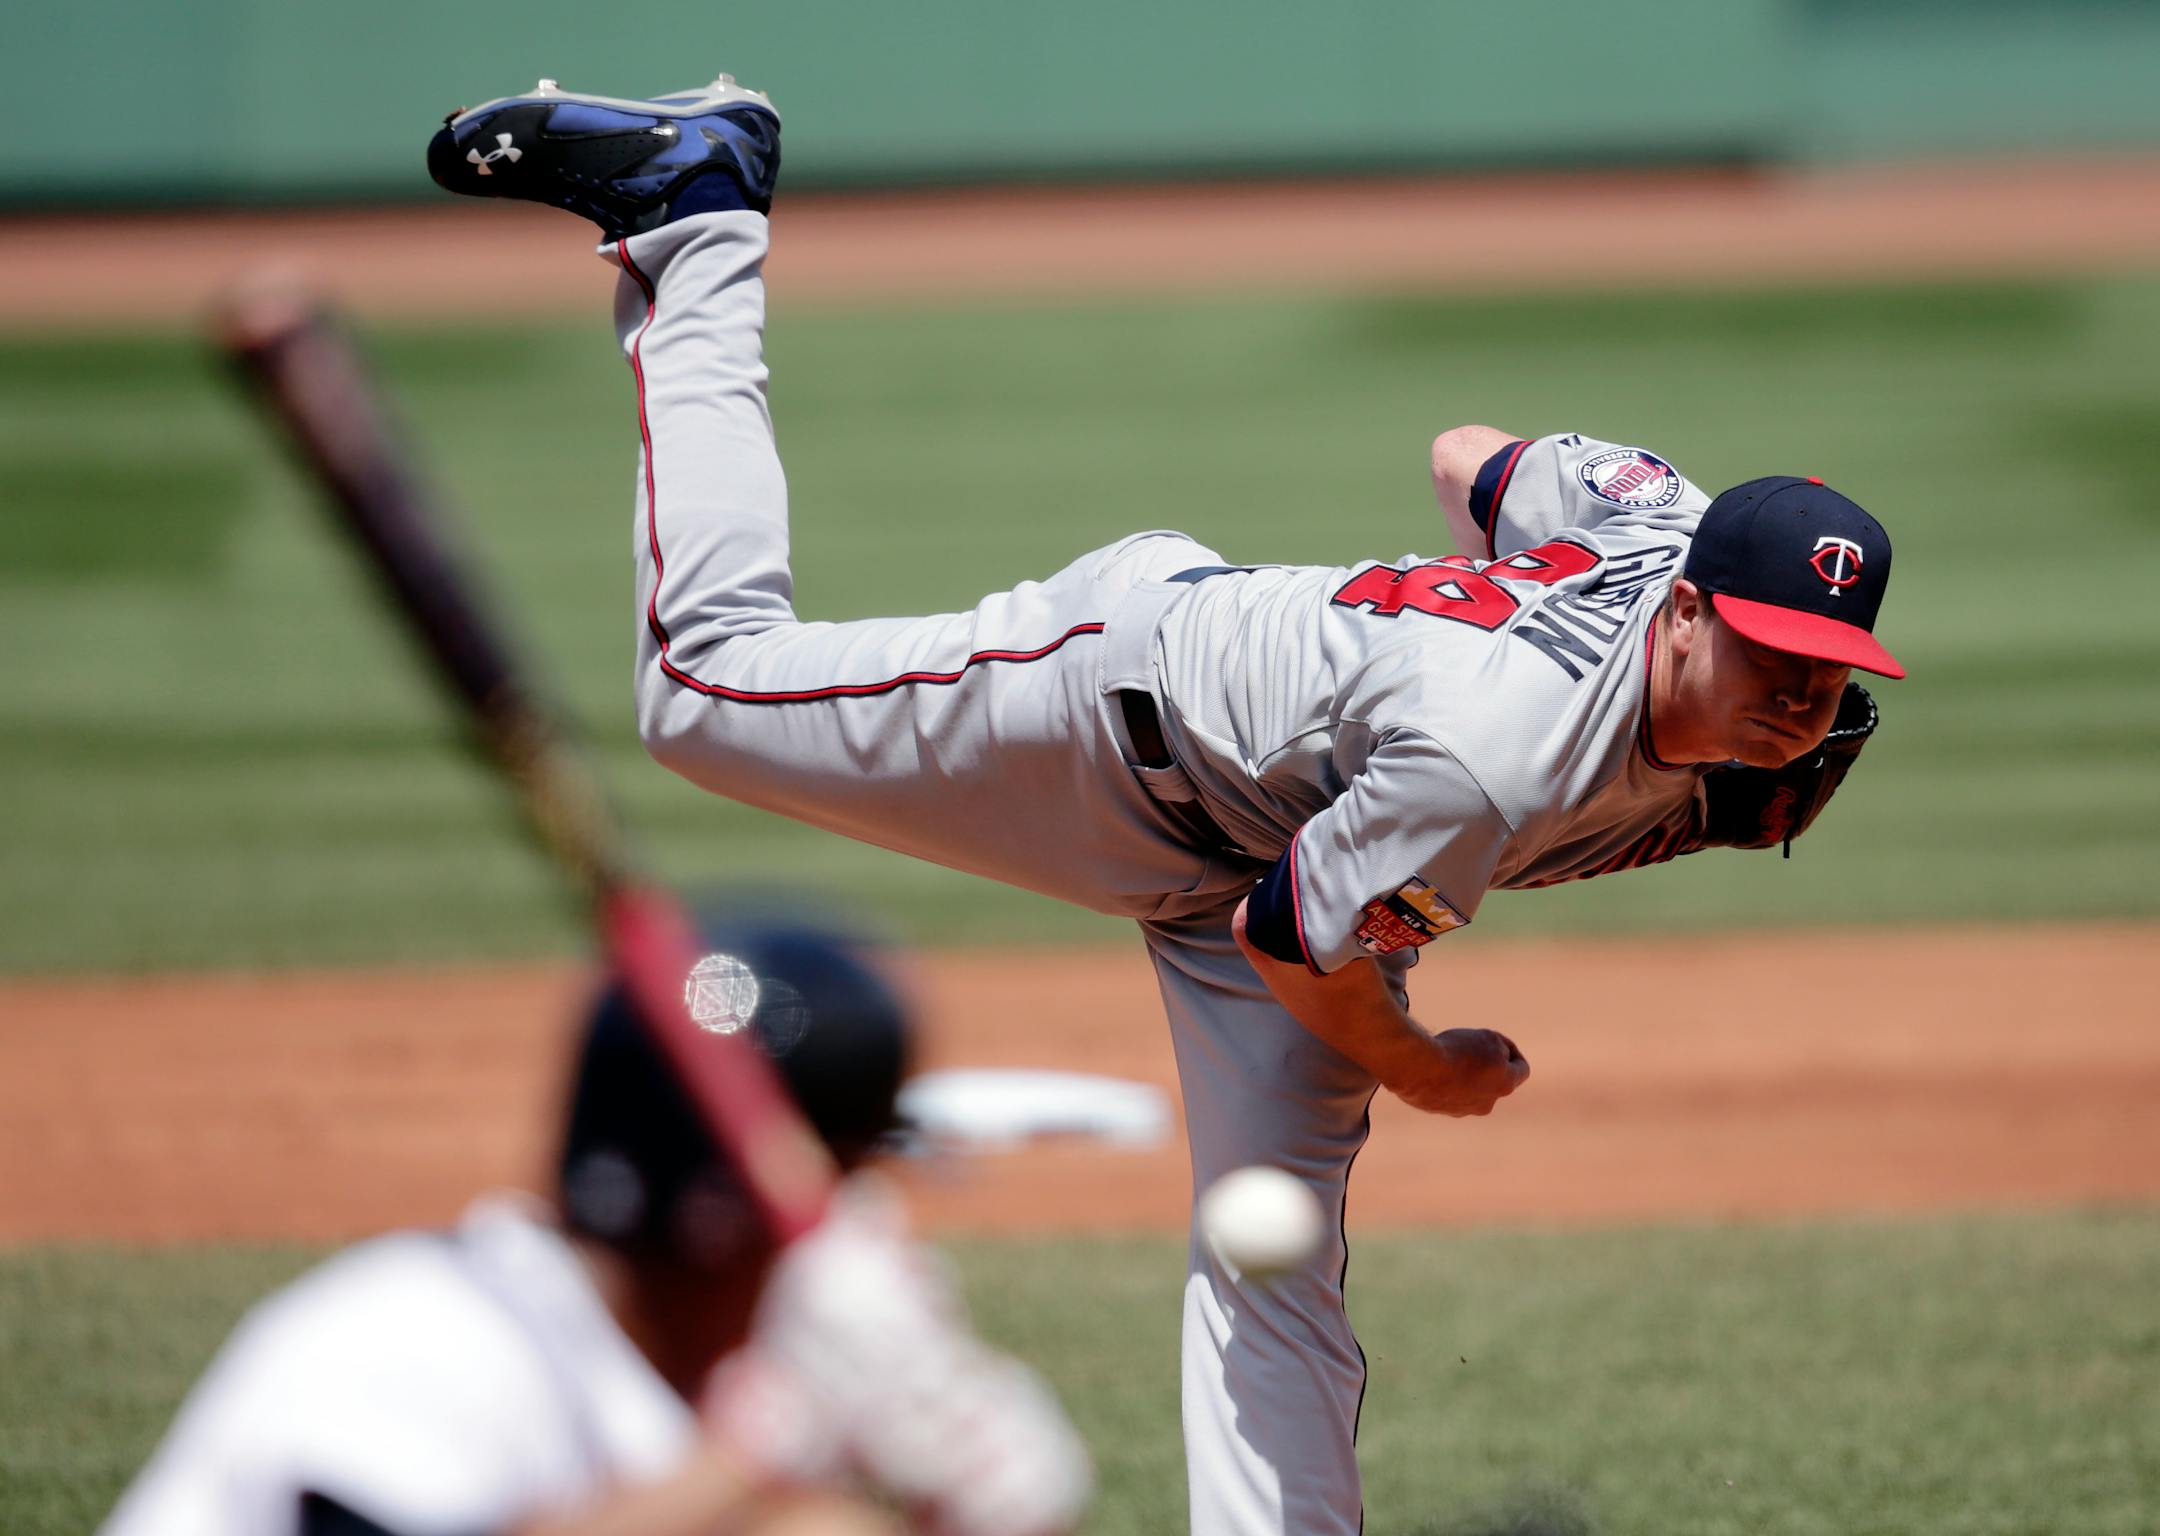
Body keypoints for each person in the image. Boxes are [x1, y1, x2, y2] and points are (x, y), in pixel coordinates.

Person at [427, 74, 1903, 1536]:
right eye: (1774, 657)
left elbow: (1469, 459)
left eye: (1830, 675)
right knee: (705, 693)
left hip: (1289, 830)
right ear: (1693, 612)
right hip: (1112, 714)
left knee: (1274, 1265)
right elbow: (1299, 955)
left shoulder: (1655, 514)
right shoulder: (1486, 760)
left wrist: (1427, 671)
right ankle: (698, 221)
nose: (1799, 701)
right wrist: (1430, 1065)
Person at [101, 921, 1092, 1536]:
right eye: (842, 1189)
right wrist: (762, 1447)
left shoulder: (659, 1399)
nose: (863, 1233)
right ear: (719, 1219)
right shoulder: (416, 1334)